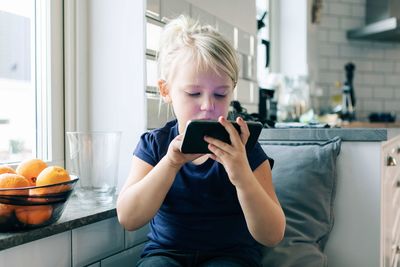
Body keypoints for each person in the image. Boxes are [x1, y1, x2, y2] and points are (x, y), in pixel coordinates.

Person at [117, 15, 285, 267]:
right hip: (165, 255)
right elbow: (129, 218)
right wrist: (170, 163)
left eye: (220, 93)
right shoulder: (154, 145)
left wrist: (242, 176)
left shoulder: (245, 149)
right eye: (194, 93)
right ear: (166, 91)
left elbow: (272, 235)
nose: (207, 106)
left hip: (232, 257)